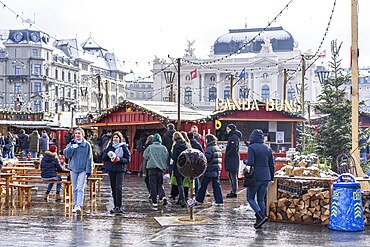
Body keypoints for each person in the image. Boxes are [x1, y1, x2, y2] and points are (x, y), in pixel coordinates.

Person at [245, 129, 275, 229]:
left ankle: (261, 216)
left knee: (250, 198)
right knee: (261, 199)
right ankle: (259, 221)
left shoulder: (252, 147)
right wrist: (271, 176)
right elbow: (272, 164)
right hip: (266, 176)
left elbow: (251, 162)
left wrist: (245, 161)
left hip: (255, 176)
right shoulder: (268, 148)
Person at [63, 127, 93, 214]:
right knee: (75, 187)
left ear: (82, 135)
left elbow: (89, 158)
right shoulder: (71, 143)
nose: (77, 135)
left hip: (83, 169)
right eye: (76, 133)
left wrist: (89, 170)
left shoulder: (87, 145)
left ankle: (78, 205)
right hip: (73, 168)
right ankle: (75, 204)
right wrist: (71, 147)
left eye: (79, 133)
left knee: (81, 187)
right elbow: (66, 154)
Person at [102, 131, 130, 214]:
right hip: (111, 169)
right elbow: (104, 159)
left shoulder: (124, 147)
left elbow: (127, 159)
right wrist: (108, 155)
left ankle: (119, 206)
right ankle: (115, 206)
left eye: (117, 137)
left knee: (118, 187)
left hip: (120, 169)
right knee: (113, 188)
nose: (115, 139)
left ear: (120, 138)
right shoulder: (109, 147)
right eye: (114, 137)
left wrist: (119, 159)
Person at [195, 134, 223, 206]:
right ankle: (219, 201)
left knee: (203, 185)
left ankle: (199, 199)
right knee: (216, 186)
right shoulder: (217, 147)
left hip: (210, 169)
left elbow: (206, 159)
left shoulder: (209, 148)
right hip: (216, 169)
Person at [143, 133, 168, 208]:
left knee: (152, 185)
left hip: (151, 168)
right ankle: (162, 196)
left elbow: (145, 156)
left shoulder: (150, 147)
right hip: (160, 169)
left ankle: (154, 202)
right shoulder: (164, 148)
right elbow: (166, 157)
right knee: (160, 184)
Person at [171, 131, 190, 207]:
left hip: (178, 166)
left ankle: (182, 199)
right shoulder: (186, 144)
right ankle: (180, 199)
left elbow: (174, 157)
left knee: (180, 184)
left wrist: (172, 155)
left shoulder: (176, 145)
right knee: (182, 181)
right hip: (185, 166)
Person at [224, 124, 242, 198]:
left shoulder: (233, 137)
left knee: (233, 175)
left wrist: (227, 154)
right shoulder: (233, 137)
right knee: (231, 175)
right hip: (232, 158)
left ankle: (234, 191)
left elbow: (233, 148)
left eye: (228, 129)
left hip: (232, 159)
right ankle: (233, 190)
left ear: (231, 129)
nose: (227, 131)